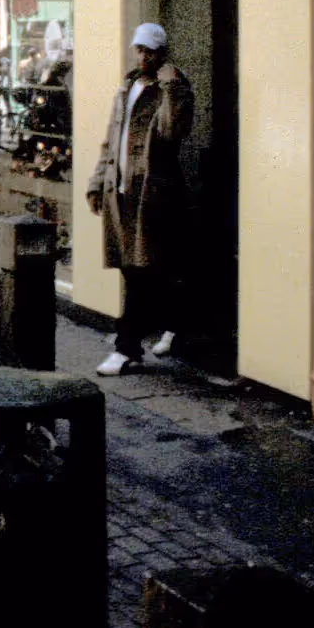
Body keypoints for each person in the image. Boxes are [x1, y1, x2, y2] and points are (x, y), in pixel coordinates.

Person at [89, 22, 195, 376]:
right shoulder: (128, 86)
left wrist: (172, 86)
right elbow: (111, 137)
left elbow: (171, 131)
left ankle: (127, 347)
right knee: (140, 268)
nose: (143, 56)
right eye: (139, 49)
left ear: (162, 53)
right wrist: (96, 181)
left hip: (152, 195)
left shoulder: (173, 89)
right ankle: (177, 327)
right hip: (121, 192)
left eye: (150, 51)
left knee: (141, 270)